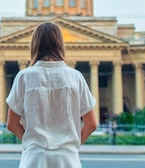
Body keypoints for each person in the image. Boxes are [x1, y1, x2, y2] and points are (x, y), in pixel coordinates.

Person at [6, 22, 98, 168]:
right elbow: (92, 123)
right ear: (60, 44)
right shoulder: (75, 76)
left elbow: (12, 123)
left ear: (35, 45)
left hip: (34, 157)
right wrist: (72, 144)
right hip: (68, 158)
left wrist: (31, 141)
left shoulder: (24, 76)